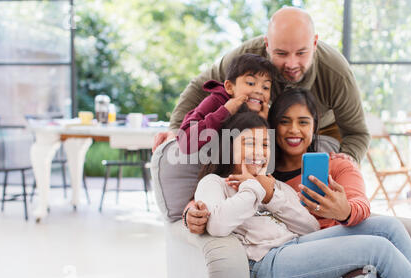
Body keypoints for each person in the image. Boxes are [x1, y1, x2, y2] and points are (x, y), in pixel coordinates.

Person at [194, 90, 411, 278]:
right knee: (377, 249)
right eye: (249, 143)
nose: (259, 152)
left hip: (294, 249)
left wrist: (270, 196)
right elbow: (217, 225)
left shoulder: (274, 186)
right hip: (265, 267)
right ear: (229, 146)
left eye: (265, 145)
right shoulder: (214, 183)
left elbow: (309, 227)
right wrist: (252, 189)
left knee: (387, 226)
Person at [153, 6, 370, 164]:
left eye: (301, 53)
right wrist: (175, 129)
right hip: (269, 128)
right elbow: (198, 87)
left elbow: (358, 133)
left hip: (323, 128)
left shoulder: (336, 72)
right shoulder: (247, 56)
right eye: (281, 53)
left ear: (314, 43)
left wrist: (347, 161)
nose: (291, 64)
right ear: (267, 45)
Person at [177, 53, 278, 154]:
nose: (259, 91)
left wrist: (261, 124)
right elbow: (184, 143)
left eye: (265, 87)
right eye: (251, 83)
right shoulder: (216, 102)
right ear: (229, 87)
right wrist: (225, 112)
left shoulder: (263, 112)